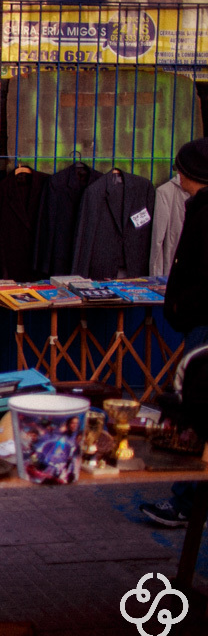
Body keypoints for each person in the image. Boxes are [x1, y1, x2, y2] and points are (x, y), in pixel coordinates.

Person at [141, 137, 208, 528]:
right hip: (198, 319)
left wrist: (185, 307)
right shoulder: (198, 207)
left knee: (193, 409)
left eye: (181, 169)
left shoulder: (205, 212)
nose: (177, 175)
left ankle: (184, 500)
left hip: (202, 323)